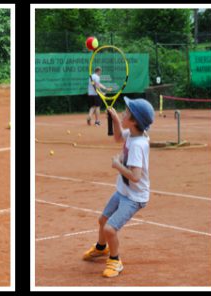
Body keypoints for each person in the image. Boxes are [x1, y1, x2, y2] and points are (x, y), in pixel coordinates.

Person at [82, 97, 154, 278]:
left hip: (133, 198)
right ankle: (101, 248)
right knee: (102, 220)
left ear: (135, 121)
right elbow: (117, 137)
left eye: (127, 112)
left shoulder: (138, 145)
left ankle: (115, 261)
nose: (123, 112)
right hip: (123, 191)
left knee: (109, 229)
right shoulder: (133, 134)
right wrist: (115, 120)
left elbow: (136, 177)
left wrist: (118, 165)